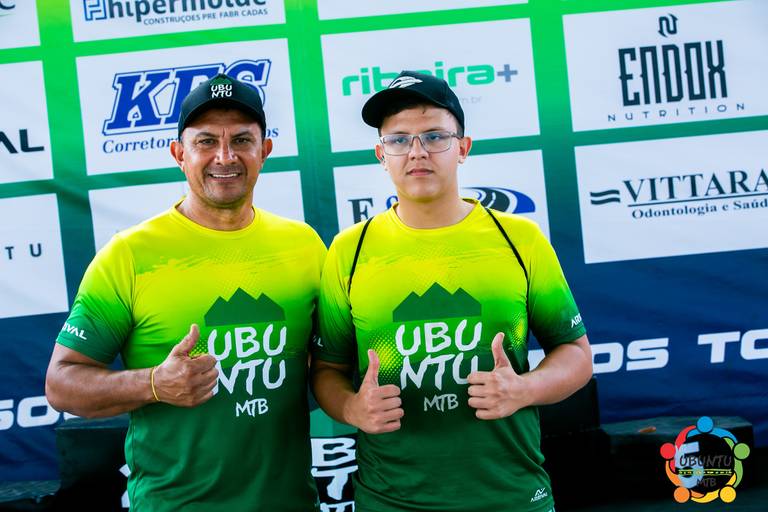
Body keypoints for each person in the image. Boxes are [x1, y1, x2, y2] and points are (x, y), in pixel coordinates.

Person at [311, 71, 593, 512]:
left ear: (462, 148)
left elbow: (576, 353)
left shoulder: (520, 239)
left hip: (511, 496)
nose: (417, 152)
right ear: (381, 154)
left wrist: (524, 389)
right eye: (399, 140)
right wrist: (352, 409)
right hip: (391, 501)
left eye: (434, 136)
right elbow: (327, 369)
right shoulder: (350, 250)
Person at [46, 73, 323, 511]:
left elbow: (329, 362)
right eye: (206, 141)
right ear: (179, 154)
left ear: (265, 151)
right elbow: (62, 385)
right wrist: (154, 383)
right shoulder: (130, 254)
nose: (225, 157)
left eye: (242, 140)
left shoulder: (303, 245)